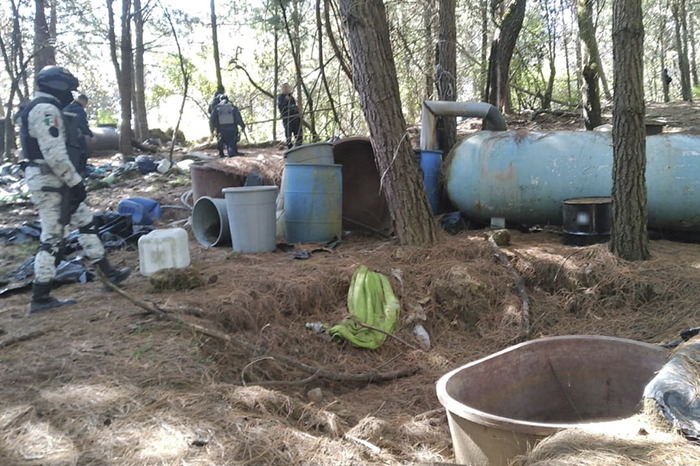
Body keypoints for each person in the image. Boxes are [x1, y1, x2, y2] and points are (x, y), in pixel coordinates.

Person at [15, 66, 131, 314]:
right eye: (68, 89)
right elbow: (54, 154)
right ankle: (40, 296)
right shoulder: (46, 110)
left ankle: (108, 273)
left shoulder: (40, 107)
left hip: (55, 179)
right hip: (51, 180)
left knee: (86, 221)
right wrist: (75, 181)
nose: (70, 94)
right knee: (53, 237)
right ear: (58, 86)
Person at [63, 94, 93, 175]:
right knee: (84, 152)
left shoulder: (66, 107)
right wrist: (90, 135)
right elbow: (83, 124)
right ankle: (82, 171)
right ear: (83, 101)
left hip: (65, 137)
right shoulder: (79, 110)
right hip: (77, 136)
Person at [276, 83, 302, 149]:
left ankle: (299, 145)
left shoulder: (292, 98)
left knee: (298, 132)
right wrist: (285, 100)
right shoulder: (280, 97)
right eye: (285, 88)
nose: (287, 89)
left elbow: (294, 106)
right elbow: (280, 107)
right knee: (288, 134)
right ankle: (290, 147)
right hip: (287, 118)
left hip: (294, 117)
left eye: (288, 88)